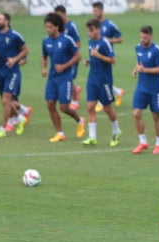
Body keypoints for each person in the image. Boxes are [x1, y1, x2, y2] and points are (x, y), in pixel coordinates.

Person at [41, 12, 84, 143]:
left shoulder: (67, 40)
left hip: (65, 77)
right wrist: (44, 68)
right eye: (46, 27)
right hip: (52, 78)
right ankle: (60, 133)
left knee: (64, 107)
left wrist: (64, 66)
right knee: (50, 104)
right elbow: (44, 57)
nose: (48, 30)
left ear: (57, 27)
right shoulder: (46, 41)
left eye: (50, 27)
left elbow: (77, 56)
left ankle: (79, 120)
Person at [0, 13, 30, 138]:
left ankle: (3, 128)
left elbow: (25, 50)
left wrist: (15, 59)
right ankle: (20, 118)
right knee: (6, 101)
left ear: (7, 21)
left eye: (0, 19)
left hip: (12, 72)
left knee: (6, 99)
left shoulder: (15, 36)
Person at [82, 18, 122, 146]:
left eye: (91, 30)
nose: (89, 33)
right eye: (88, 31)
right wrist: (89, 60)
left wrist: (98, 56)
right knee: (90, 107)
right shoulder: (90, 42)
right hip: (92, 79)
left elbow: (113, 60)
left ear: (98, 29)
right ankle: (92, 137)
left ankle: (117, 131)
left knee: (107, 108)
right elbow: (93, 55)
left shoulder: (105, 42)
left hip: (104, 80)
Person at [131, 26, 159, 155]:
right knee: (136, 114)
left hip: (155, 89)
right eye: (141, 37)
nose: (142, 39)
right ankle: (143, 142)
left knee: (156, 116)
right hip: (141, 87)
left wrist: (145, 70)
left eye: (145, 37)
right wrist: (136, 69)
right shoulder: (138, 48)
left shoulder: (157, 50)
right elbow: (139, 62)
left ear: (151, 36)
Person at [92, 1, 125, 110]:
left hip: (107, 56)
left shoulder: (110, 25)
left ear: (102, 11)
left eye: (96, 11)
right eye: (93, 11)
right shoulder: (94, 26)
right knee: (98, 78)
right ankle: (118, 91)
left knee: (103, 79)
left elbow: (120, 39)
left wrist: (109, 40)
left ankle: (102, 102)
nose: (94, 13)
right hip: (96, 56)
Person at [54, 5, 82, 111]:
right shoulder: (58, 27)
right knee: (68, 78)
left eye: (59, 15)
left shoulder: (71, 26)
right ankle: (75, 91)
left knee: (69, 78)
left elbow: (78, 44)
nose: (58, 18)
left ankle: (75, 100)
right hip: (62, 59)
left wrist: (69, 49)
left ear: (64, 14)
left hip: (71, 58)